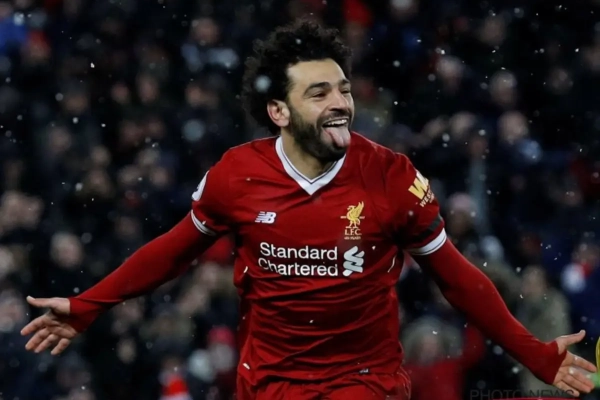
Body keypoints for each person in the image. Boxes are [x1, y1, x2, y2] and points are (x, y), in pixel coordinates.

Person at [21, 19, 596, 400]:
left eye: (342, 89)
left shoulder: (392, 177)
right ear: (279, 112)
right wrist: (88, 305)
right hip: (269, 383)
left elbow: (458, 278)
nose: (340, 103)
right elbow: (173, 252)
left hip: (363, 382)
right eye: (318, 93)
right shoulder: (236, 176)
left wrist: (533, 353)